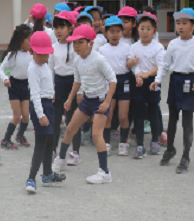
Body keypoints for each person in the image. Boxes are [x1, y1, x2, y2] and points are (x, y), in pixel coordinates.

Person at [52, 25, 117, 185]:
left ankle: (104, 172)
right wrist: (69, 99)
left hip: (101, 101)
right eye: (74, 43)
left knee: (96, 135)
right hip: (87, 100)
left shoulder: (99, 59)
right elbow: (77, 80)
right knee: (70, 129)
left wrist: (107, 102)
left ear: (91, 43)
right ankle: (60, 159)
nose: (76, 46)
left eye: (80, 42)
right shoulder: (77, 60)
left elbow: (113, 80)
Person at [151, 8, 194, 173]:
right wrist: (157, 81)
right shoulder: (174, 44)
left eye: (185, 23)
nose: (181, 26)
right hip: (176, 81)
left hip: (190, 81)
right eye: (178, 23)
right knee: (172, 119)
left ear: (192, 26)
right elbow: (164, 64)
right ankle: (170, 149)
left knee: (187, 123)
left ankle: (185, 156)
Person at [25, 31, 65, 193]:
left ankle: (47, 174)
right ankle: (31, 178)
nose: (43, 58)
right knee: (41, 143)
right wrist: (41, 115)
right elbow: (35, 94)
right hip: (39, 106)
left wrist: (51, 92)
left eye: (46, 54)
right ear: (31, 52)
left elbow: (48, 81)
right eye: (39, 54)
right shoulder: (33, 68)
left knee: (50, 140)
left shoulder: (44, 65)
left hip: (48, 104)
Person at [98, 16, 134, 156]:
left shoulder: (127, 47)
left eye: (118, 31)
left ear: (122, 32)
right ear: (106, 33)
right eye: (111, 31)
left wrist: (132, 63)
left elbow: (130, 65)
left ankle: (123, 142)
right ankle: (106, 143)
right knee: (108, 115)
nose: (115, 34)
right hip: (108, 82)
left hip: (124, 81)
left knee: (123, 116)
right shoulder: (102, 50)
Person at [49, 12, 82, 165]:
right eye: (55, 27)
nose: (58, 31)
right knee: (55, 121)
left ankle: (75, 151)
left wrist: (79, 92)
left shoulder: (75, 48)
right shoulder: (53, 48)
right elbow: (50, 70)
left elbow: (79, 71)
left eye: (62, 27)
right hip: (58, 85)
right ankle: (53, 149)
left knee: (73, 120)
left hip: (73, 85)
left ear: (70, 28)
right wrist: (51, 90)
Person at [129, 13, 164, 159]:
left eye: (148, 28)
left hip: (152, 82)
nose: (145, 31)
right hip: (138, 82)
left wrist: (146, 74)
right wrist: (138, 75)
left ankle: (155, 141)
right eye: (142, 28)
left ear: (154, 30)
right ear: (137, 29)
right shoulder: (134, 47)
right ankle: (140, 145)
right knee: (139, 115)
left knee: (153, 113)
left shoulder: (158, 47)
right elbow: (133, 65)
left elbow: (161, 65)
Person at [0, 24, 33, 149]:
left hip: (25, 86)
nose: (31, 42)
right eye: (29, 39)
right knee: (17, 115)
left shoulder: (31, 54)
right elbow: (0, 68)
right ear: (20, 40)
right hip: (14, 86)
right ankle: (5, 140)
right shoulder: (12, 55)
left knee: (26, 116)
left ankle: (20, 135)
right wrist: (5, 79)